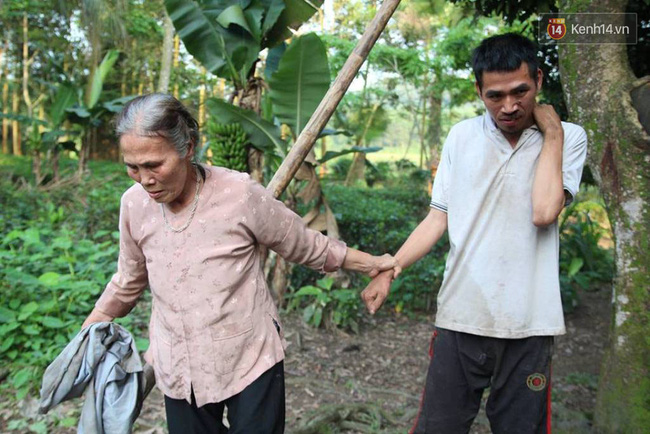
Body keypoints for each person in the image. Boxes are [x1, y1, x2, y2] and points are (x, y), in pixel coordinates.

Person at [81, 93, 400, 434]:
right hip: (178, 364)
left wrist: (372, 265)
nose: (145, 179)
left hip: (249, 358)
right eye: (133, 167)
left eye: (155, 165)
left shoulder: (239, 193)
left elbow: (306, 245)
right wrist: (88, 333)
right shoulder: (134, 205)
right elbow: (128, 279)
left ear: (187, 148)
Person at [361, 33, 587, 433]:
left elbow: (544, 211)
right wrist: (390, 268)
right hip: (461, 317)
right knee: (439, 426)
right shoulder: (461, 137)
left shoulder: (568, 137)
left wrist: (552, 133)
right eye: (495, 95)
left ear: (538, 79)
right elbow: (437, 218)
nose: (510, 106)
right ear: (478, 90)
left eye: (521, 91)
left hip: (530, 324)